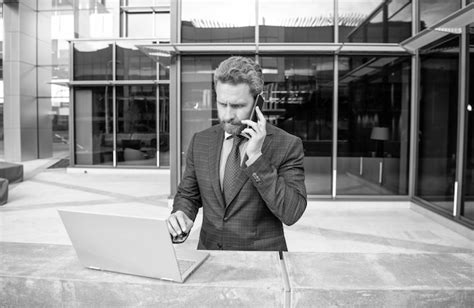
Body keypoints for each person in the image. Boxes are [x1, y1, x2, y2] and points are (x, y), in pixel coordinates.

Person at [167, 56, 307, 251]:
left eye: (238, 106)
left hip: (263, 265)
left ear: (258, 103)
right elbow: (188, 195)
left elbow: (292, 212)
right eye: (222, 104)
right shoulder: (201, 140)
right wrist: (182, 213)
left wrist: (257, 158)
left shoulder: (287, 144)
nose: (227, 115)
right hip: (210, 257)